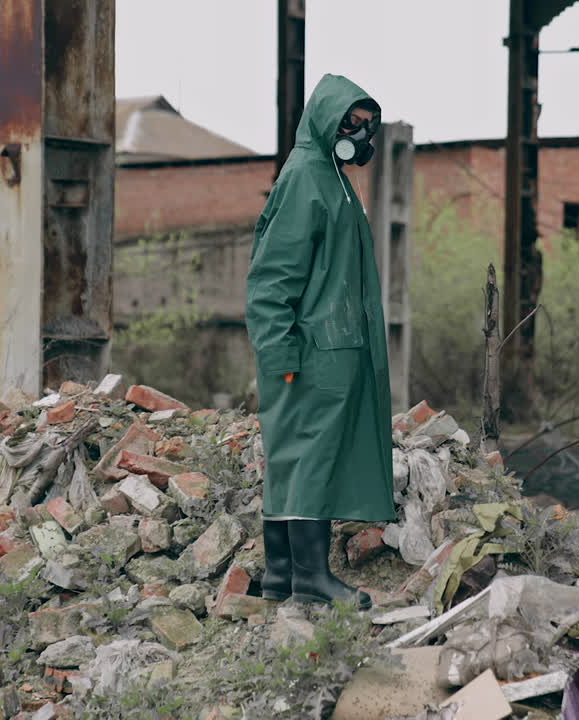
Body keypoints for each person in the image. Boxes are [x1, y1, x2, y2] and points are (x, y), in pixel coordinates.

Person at [245, 74, 394, 610]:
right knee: (309, 460)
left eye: (365, 124)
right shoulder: (309, 175)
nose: (357, 132)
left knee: (297, 458)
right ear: (325, 119)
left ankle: (283, 576)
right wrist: (281, 355)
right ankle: (311, 578)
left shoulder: (330, 176)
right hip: (310, 354)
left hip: (328, 351)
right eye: (349, 122)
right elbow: (270, 281)